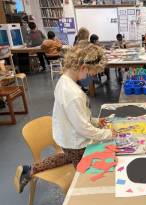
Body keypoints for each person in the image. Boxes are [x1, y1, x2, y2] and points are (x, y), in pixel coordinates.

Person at [14, 41, 115, 193]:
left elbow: (78, 116)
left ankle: (30, 170)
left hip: (66, 136)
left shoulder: (64, 80)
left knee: (66, 156)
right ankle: (80, 197)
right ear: (83, 68)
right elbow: (83, 128)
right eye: (91, 75)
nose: (91, 79)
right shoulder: (74, 94)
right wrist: (108, 134)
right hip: (75, 142)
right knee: (86, 174)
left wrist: (94, 121)